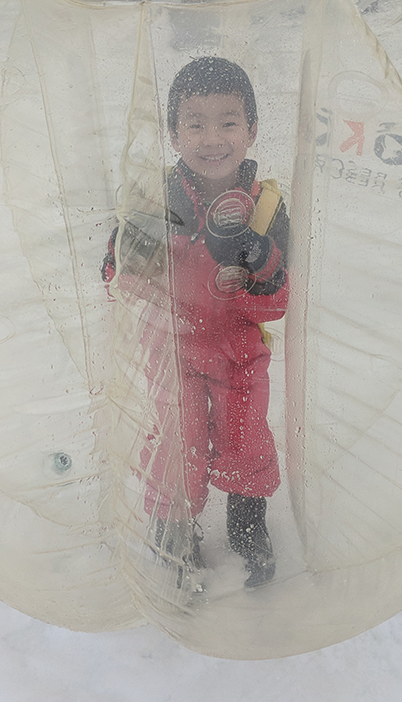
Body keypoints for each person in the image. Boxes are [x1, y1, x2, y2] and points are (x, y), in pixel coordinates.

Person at [101, 57, 290, 588]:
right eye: (195, 123)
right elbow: (117, 281)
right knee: (174, 441)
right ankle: (172, 527)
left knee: (246, 437)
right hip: (171, 351)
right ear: (172, 133)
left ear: (252, 130)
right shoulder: (152, 200)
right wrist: (126, 251)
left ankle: (246, 521)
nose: (212, 138)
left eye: (228, 122)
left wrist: (255, 253)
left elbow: (279, 302)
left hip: (240, 353)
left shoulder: (266, 206)